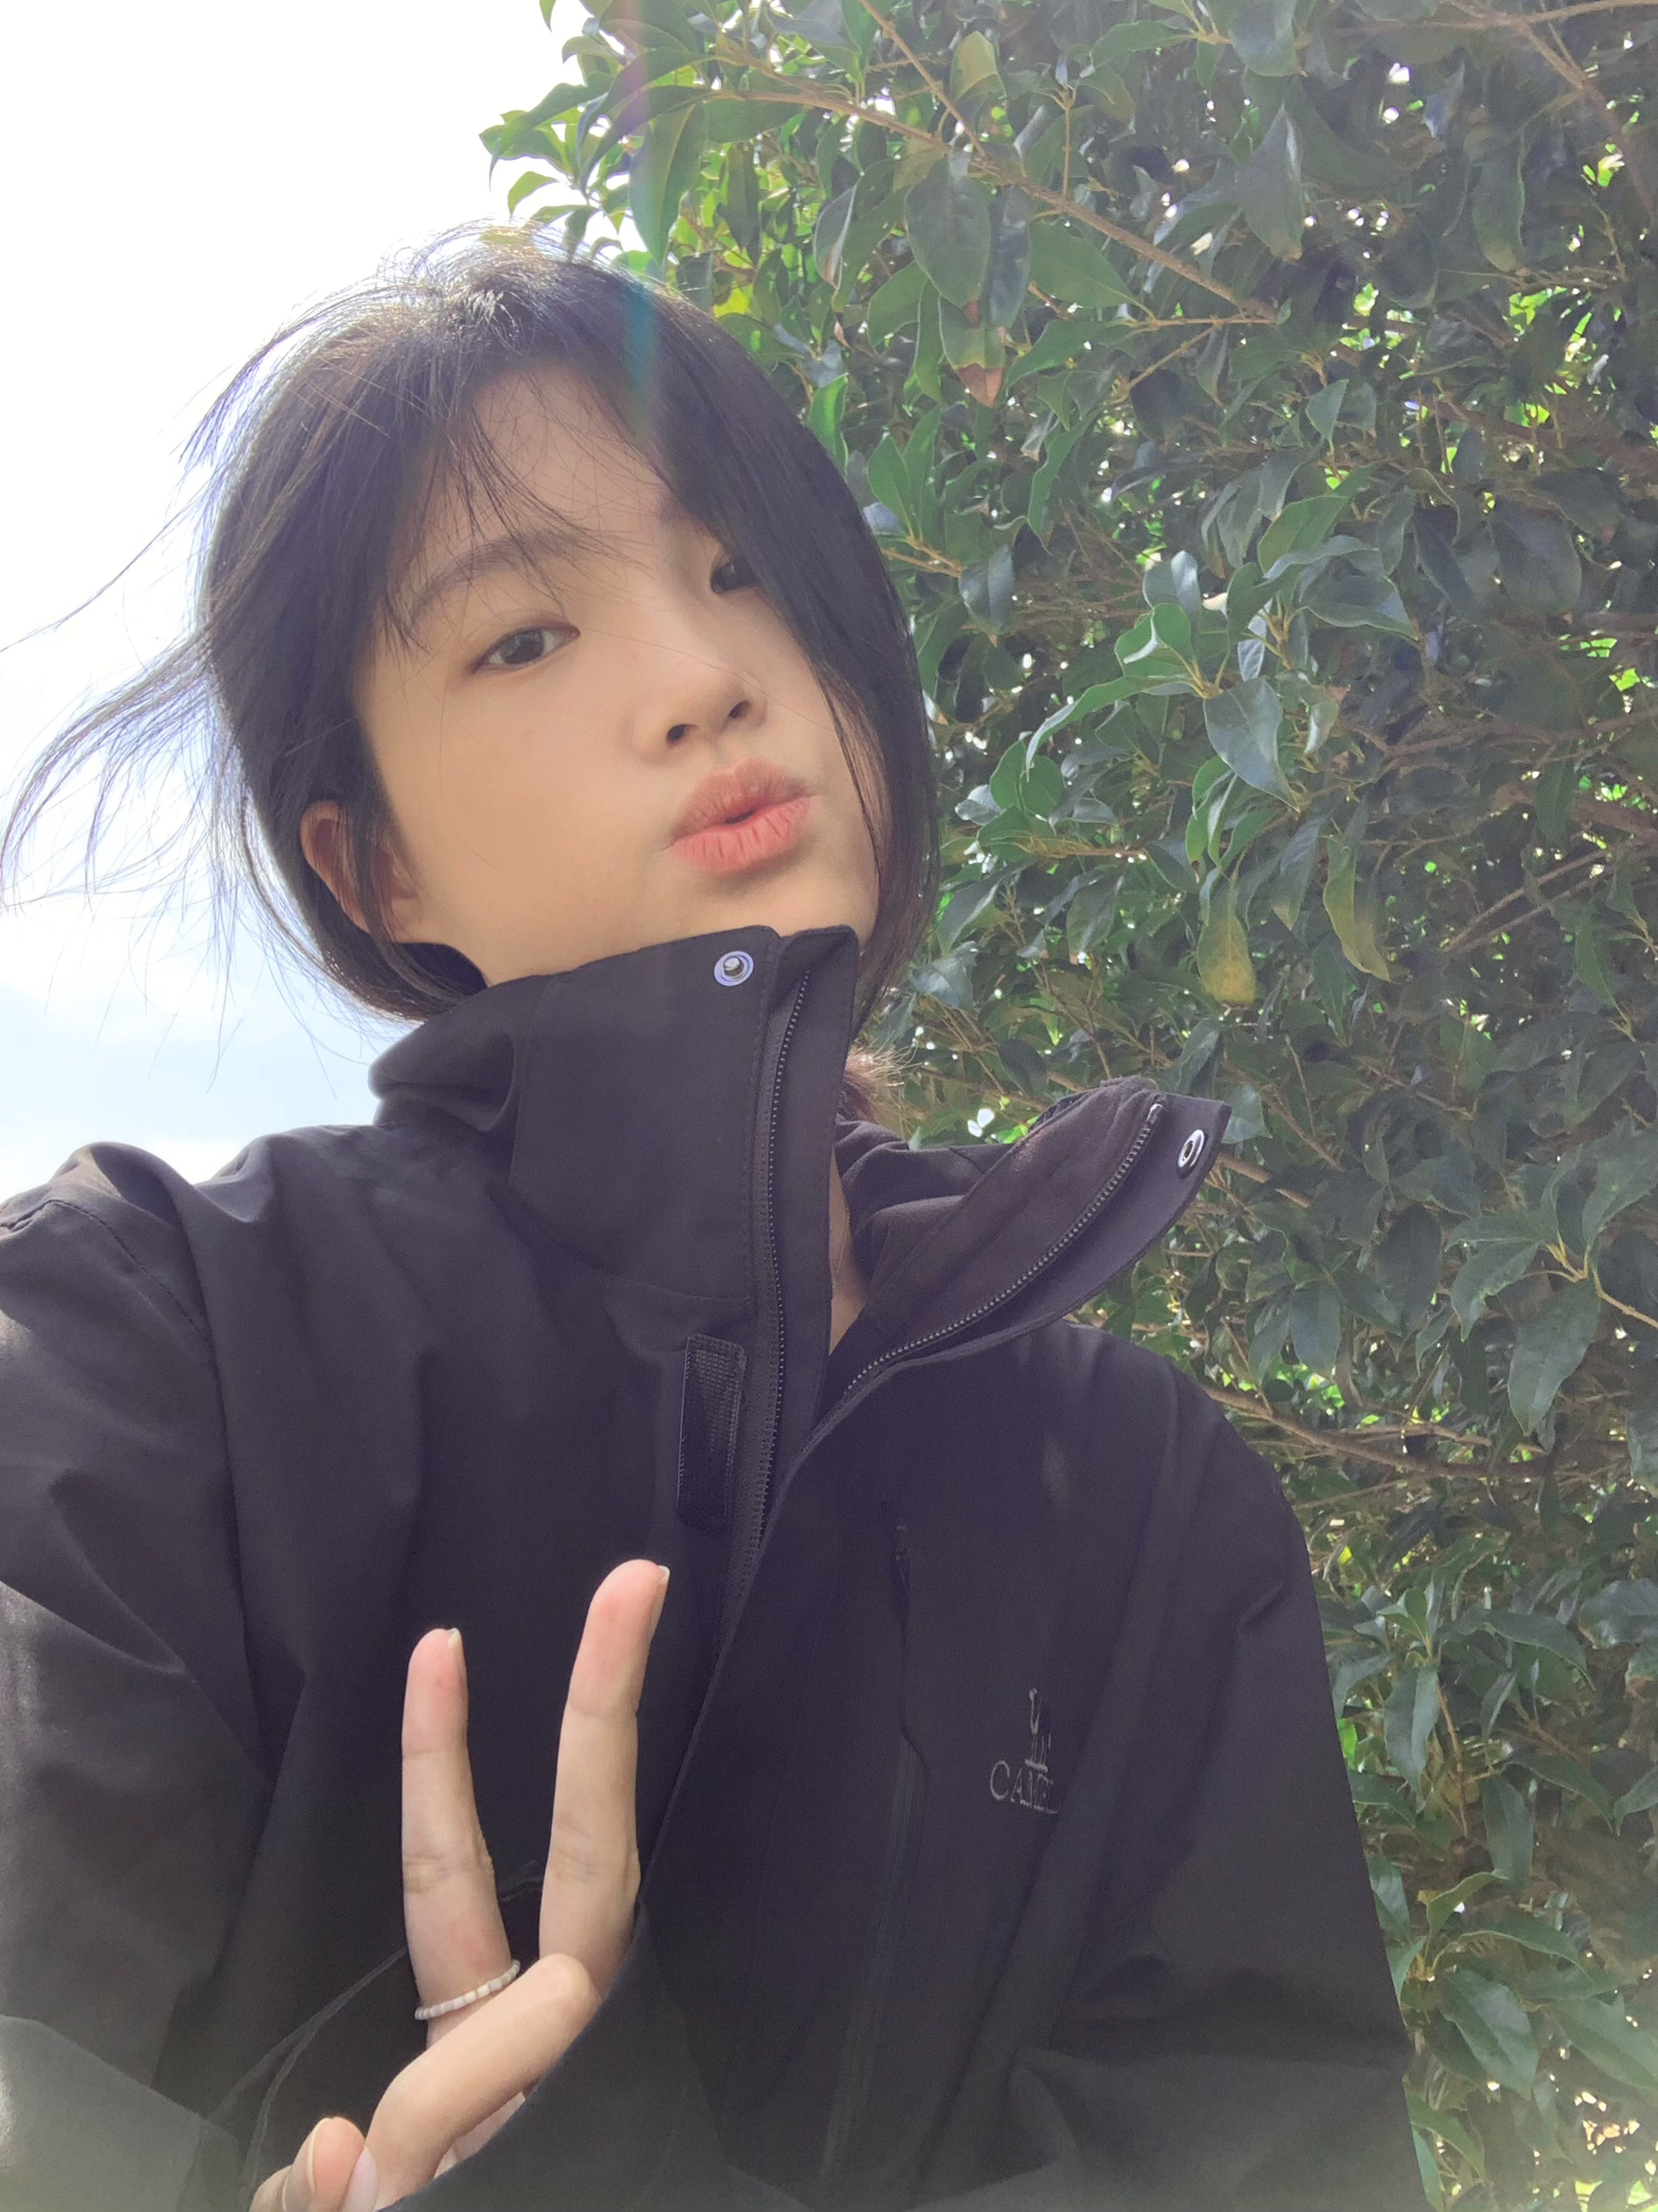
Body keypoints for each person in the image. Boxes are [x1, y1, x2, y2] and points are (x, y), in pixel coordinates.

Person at [0, 231, 1423, 2212]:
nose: (700, 676)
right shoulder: (137, 1344)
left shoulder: (1155, 1499)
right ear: (373, 861)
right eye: (523, 637)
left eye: (744, 568)